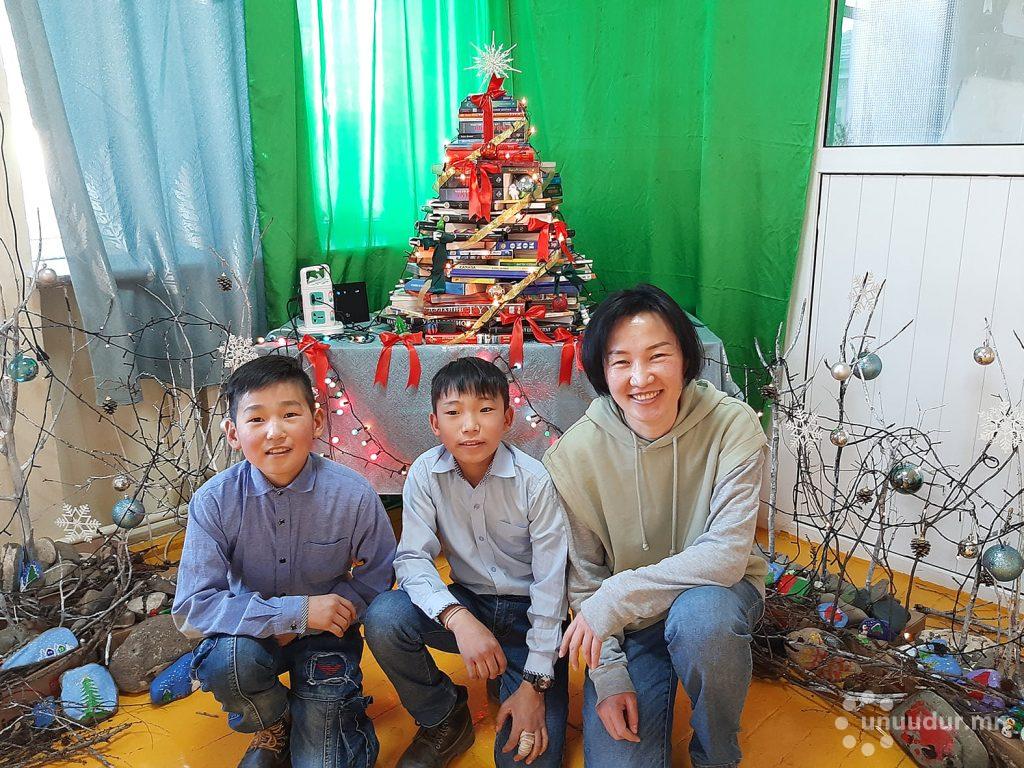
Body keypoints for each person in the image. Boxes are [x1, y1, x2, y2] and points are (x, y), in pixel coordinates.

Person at [543, 285, 767, 768]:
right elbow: (586, 578)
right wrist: (610, 676)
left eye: (658, 355)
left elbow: (727, 555)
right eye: (621, 361)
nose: (640, 377)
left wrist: (617, 595)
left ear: (686, 358)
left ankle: (717, 755)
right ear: (602, 371)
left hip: (715, 598)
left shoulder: (734, 426)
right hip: (631, 627)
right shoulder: (573, 455)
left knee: (702, 620)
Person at [172, 355, 397, 768]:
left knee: (323, 762)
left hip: (328, 635)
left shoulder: (353, 493)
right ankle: (273, 721)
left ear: (317, 420)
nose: (274, 432)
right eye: (256, 419)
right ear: (233, 433)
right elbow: (193, 607)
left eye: (290, 414)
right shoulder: (214, 501)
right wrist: (292, 615)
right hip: (252, 636)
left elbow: (379, 573)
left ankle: (332, 713)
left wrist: (328, 613)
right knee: (228, 664)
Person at [364, 356, 569, 768]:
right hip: (470, 603)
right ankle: (444, 715)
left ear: (507, 418)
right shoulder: (425, 473)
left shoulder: (534, 481)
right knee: (385, 617)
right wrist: (457, 618)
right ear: (435, 423)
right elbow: (412, 560)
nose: (470, 425)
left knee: (527, 757)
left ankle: (512, 674)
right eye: (454, 412)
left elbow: (552, 582)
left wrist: (534, 683)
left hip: (531, 616)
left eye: (485, 409)